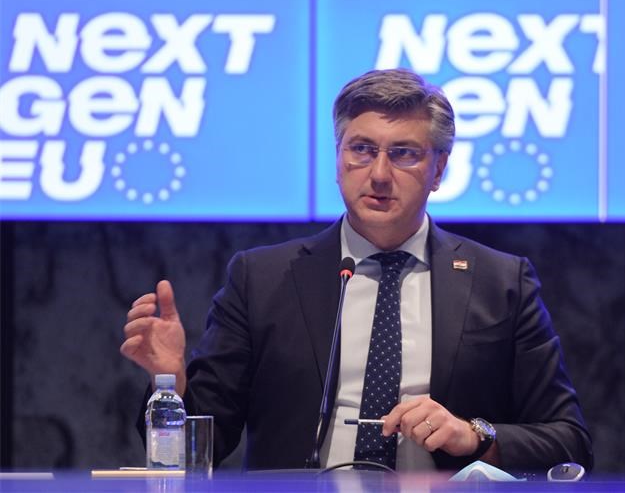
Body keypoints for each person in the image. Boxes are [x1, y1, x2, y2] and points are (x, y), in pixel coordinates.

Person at [121, 68, 593, 472]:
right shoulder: (261, 279)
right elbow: (198, 452)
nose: (380, 174)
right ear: (338, 158)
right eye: (362, 149)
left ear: (439, 170)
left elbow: (569, 442)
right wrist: (170, 384)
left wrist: (473, 435)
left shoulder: (501, 282)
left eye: (404, 153)